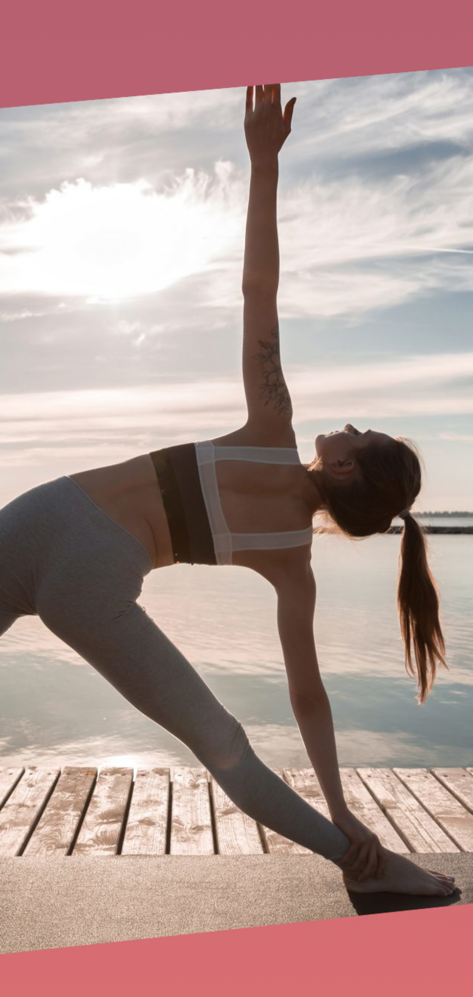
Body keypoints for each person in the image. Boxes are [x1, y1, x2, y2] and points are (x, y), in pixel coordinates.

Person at [0, 84, 454, 898]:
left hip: (39, 517)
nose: (348, 425)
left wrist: (262, 163)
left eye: (361, 434)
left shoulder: (270, 427)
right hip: (84, 579)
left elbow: (257, 292)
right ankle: (366, 863)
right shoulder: (290, 564)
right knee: (223, 743)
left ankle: (369, 865)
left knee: (224, 740)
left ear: (347, 470)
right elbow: (307, 698)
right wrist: (341, 806)